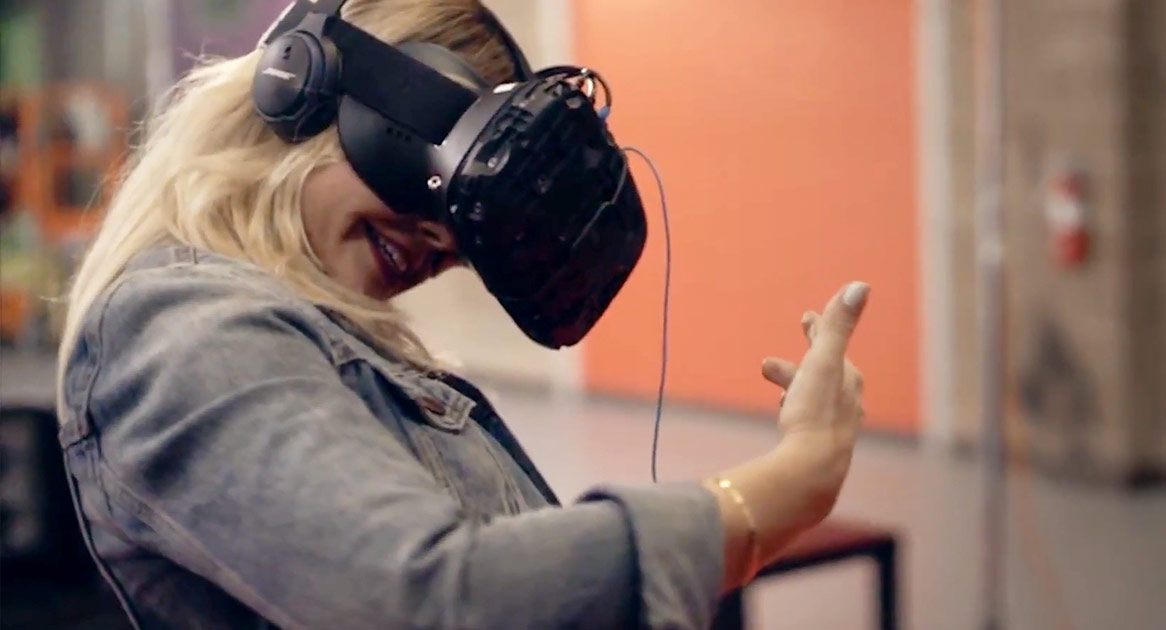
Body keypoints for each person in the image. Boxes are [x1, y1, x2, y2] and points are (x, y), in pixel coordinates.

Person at [55, 1, 869, 628]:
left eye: (477, 211)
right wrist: (791, 483)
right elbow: (435, 598)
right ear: (297, 86)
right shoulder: (185, 327)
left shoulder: (307, 335)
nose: (448, 241)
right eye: (434, 170)